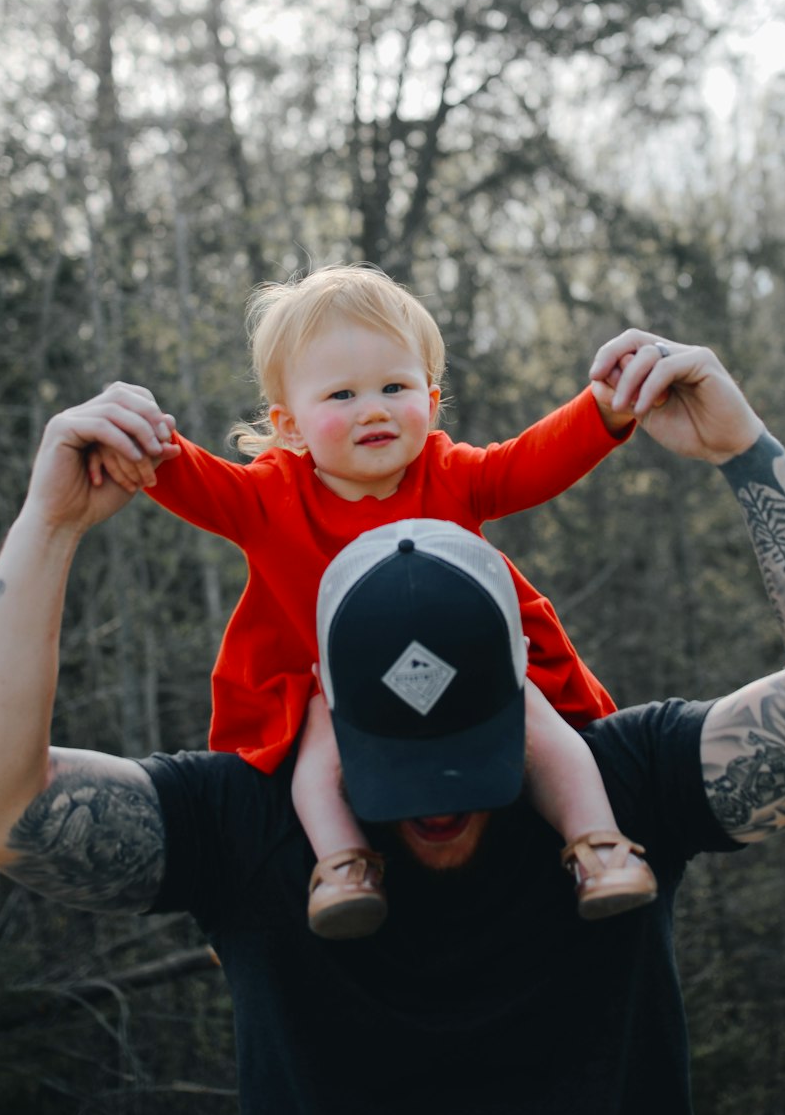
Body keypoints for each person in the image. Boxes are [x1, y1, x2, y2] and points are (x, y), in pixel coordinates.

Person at [0, 329, 785, 1115]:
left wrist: (741, 447)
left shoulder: (621, 777)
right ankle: (344, 866)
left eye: (468, 738)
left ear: (522, 673)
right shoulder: (247, 818)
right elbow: (8, 809)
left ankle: (583, 852)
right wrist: (49, 523)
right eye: (390, 759)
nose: (436, 794)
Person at [88, 265, 656, 937]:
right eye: (341, 395)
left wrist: (605, 411)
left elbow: (530, 461)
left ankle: (599, 844)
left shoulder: (450, 474)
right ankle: (341, 866)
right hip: (335, 685)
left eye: (395, 386)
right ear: (289, 423)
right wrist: (142, 434)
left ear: (432, 396)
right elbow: (192, 480)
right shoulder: (268, 499)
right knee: (320, 750)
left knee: (534, 717)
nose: (375, 409)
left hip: (468, 669)